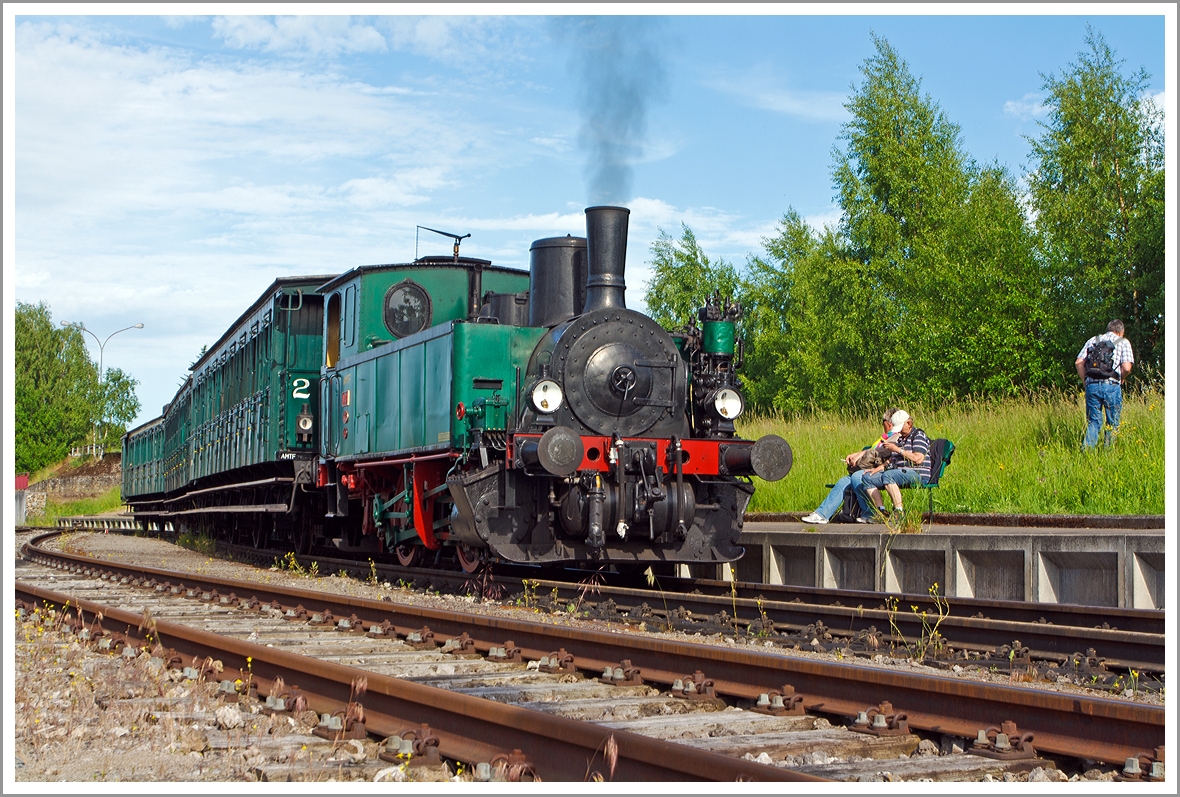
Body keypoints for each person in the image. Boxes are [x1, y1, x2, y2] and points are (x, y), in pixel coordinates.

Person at [801, 409, 899, 525]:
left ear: (889, 423)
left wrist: (861, 454)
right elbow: (873, 451)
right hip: (870, 469)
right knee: (844, 481)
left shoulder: (896, 437)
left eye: (884, 424)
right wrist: (858, 454)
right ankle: (822, 514)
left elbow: (882, 453)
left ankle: (871, 513)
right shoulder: (884, 437)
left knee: (857, 477)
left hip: (884, 470)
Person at [855, 410, 931, 521]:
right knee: (868, 478)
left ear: (909, 424)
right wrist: (876, 469)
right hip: (899, 472)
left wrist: (897, 449)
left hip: (917, 473)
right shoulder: (901, 438)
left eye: (901, 427)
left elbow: (918, 458)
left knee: (889, 475)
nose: (899, 431)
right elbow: (892, 460)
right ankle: (881, 512)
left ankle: (899, 512)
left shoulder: (918, 435)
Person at [1075, 320, 1134, 449]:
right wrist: (1122, 378)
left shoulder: (1093, 340)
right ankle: (1108, 455)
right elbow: (1127, 367)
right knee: (1112, 423)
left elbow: (1079, 362)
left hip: (1092, 386)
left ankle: (1086, 453)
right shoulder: (1123, 342)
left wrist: (1085, 381)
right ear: (1120, 332)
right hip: (1111, 385)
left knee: (1093, 422)